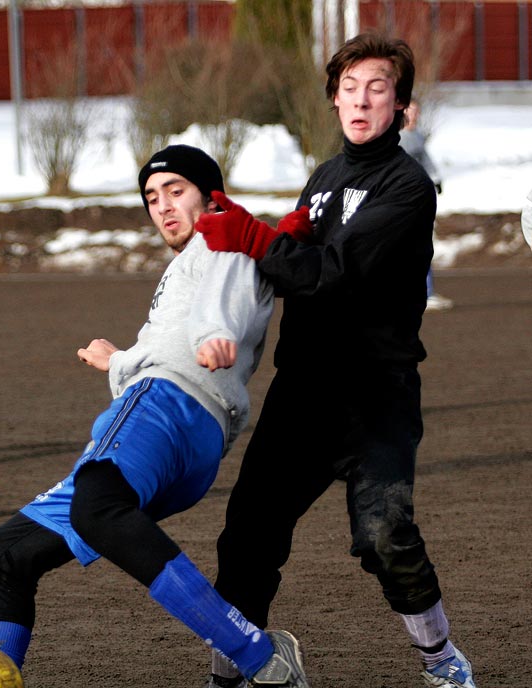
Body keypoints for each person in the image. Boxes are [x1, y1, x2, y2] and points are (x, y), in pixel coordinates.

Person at [0, 145, 312, 688]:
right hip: (176, 421)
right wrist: (120, 361)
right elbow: (178, 335)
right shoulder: (196, 256)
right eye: (152, 197)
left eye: (177, 191)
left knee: (99, 508)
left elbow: (218, 307)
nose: (163, 206)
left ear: (210, 194)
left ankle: (260, 657)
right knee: (9, 553)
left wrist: (213, 334)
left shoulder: (222, 234)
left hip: (166, 407)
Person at [195, 34, 476, 688]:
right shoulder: (324, 177)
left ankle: (442, 662)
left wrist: (256, 239)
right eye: (349, 88)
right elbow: (292, 252)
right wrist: (251, 235)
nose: (361, 99)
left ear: (402, 106)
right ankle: (237, 671)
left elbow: (330, 274)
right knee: (245, 537)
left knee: (385, 538)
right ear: (333, 100)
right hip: (304, 394)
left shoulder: (407, 187)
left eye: (377, 88)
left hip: (375, 397)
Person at [400, 97, 453, 311]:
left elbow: (426, 160)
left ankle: (425, 292)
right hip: (404, 201)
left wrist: (435, 178)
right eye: (410, 111)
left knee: (419, 246)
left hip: (418, 200)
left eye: (416, 111)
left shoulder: (416, 136)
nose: (414, 115)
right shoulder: (398, 139)